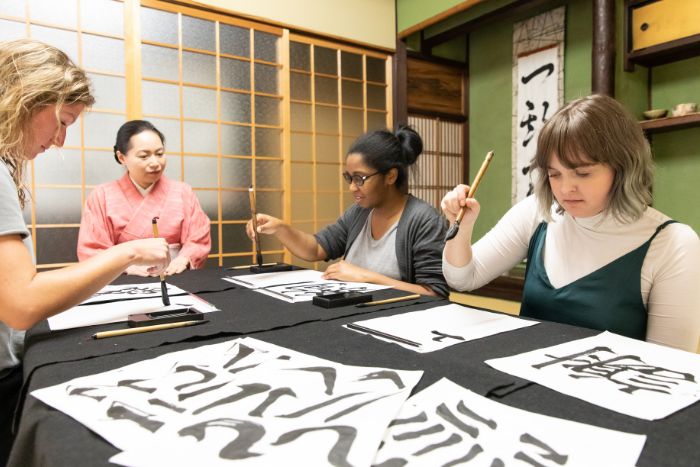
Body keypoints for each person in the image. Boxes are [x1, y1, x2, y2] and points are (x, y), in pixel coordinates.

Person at [0, 39, 169, 464]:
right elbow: (21, 302)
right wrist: (128, 253)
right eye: (61, 121)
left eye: (159, 153)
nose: (59, 141)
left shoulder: (181, 192)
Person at [441, 94, 700, 352]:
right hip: (521, 383)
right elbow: (463, 278)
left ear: (624, 167)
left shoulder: (674, 244)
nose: (565, 189)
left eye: (583, 173)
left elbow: (670, 366)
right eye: (555, 174)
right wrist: (460, 227)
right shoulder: (538, 212)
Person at [246, 126, 448, 297]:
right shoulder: (359, 213)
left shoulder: (424, 220)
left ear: (390, 176)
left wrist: (367, 277)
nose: (352, 187)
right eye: (349, 178)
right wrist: (279, 228)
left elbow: (435, 293)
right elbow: (316, 248)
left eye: (360, 179)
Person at [77, 120, 211, 276]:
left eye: (160, 154)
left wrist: (184, 259)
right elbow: (92, 249)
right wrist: (126, 266)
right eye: (144, 156)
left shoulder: (183, 192)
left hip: (175, 275)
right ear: (122, 157)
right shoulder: (101, 196)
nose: (155, 163)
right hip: (123, 280)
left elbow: (198, 237)